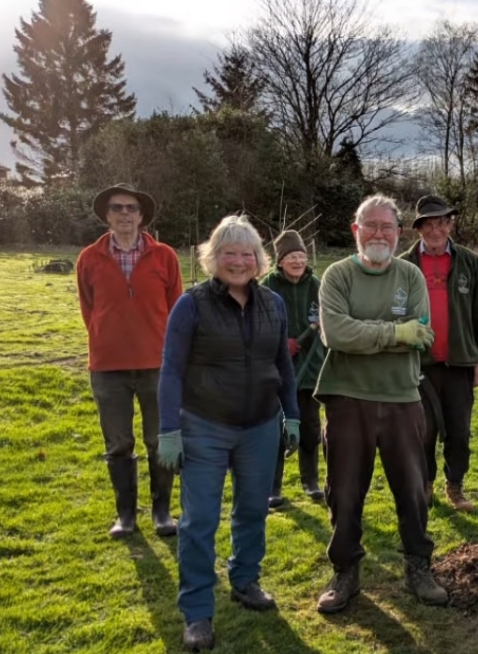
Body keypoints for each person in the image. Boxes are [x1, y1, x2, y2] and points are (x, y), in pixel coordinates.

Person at [156, 215, 300, 652]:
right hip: (204, 426)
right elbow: (171, 370)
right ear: (213, 258)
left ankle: (245, 579)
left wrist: (290, 415)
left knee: (253, 509)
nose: (237, 262)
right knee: (199, 521)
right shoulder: (192, 305)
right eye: (228, 253)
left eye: (246, 254)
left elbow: (284, 366)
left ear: (258, 260)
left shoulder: (274, 303)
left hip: (260, 426)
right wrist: (169, 430)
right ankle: (197, 611)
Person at [313, 194, 448, 615]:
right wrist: (395, 334)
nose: (378, 233)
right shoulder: (337, 276)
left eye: (386, 227)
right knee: (345, 491)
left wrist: (375, 334)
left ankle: (418, 566)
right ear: (356, 231)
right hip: (346, 399)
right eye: (369, 226)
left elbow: (422, 335)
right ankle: (345, 572)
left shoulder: (409, 275)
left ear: (398, 233)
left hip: (402, 399)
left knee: (412, 489)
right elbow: (336, 335)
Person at [75, 183, 182, 539]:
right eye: (117, 208)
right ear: (107, 215)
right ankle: (126, 516)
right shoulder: (88, 258)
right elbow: (88, 308)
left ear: (141, 216)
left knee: (159, 439)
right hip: (107, 367)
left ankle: (162, 512)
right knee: (118, 443)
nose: (124, 214)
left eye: (131, 208)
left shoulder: (165, 256)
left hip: (157, 365)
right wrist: (107, 339)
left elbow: (176, 308)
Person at [399, 195, 478, 511]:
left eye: (442, 222)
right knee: (422, 431)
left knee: (459, 431)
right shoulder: (404, 264)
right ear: (419, 228)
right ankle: (424, 485)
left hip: (459, 362)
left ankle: (456, 486)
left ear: (451, 224)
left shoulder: (468, 261)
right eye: (428, 223)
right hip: (418, 363)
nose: (436, 229)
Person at [260, 230, 325, 506]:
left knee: (310, 427)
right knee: (276, 427)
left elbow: (331, 315)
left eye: (301, 256)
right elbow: (257, 322)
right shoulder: (267, 286)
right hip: (277, 370)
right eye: (291, 257)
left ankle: (310, 481)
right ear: (280, 261)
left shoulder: (316, 285)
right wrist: (279, 342)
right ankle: (272, 487)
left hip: (310, 370)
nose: (298, 261)